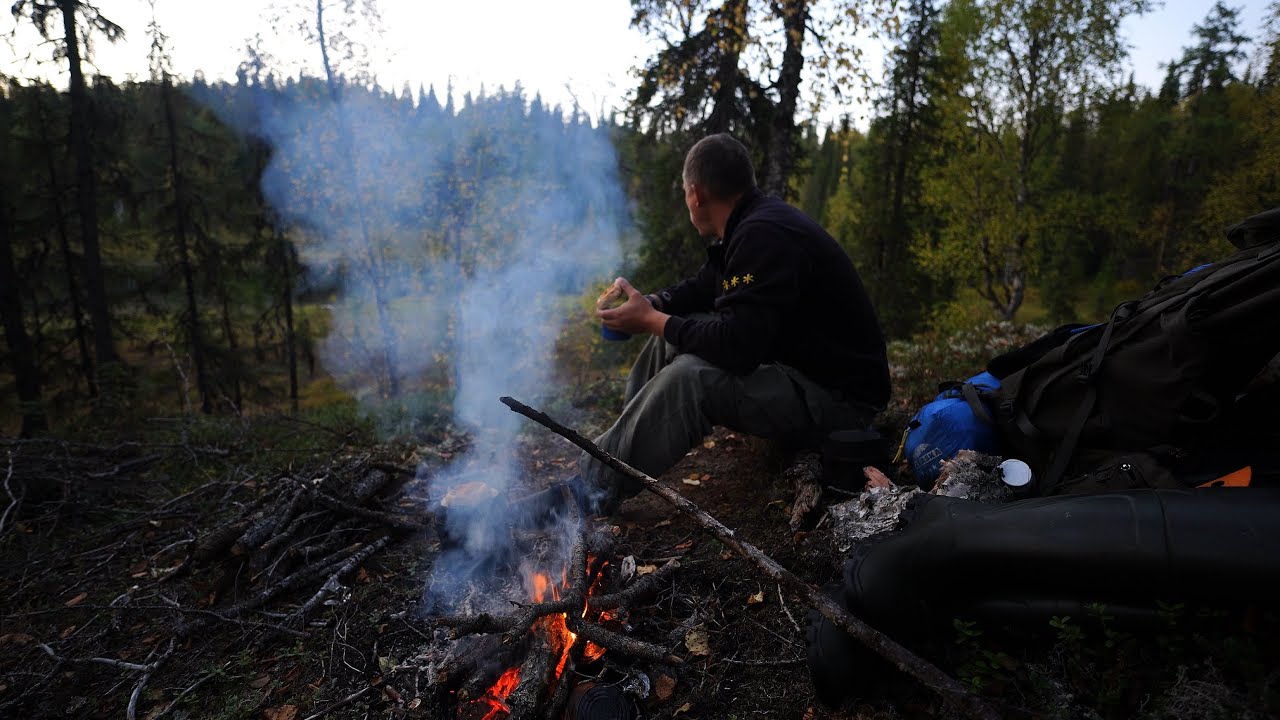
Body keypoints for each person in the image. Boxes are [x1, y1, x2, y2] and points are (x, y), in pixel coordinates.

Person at [549, 132, 890, 517]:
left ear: (695, 193)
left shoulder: (763, 234)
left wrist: (654, 320)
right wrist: (654, 305)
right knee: (668, 339)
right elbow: (704, 287)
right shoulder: (750, 224)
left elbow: (738, 348)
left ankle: (589, 492)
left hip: (842, 406)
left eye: (684, 193)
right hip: (806, 378)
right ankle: (617, 460)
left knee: (691, 376)